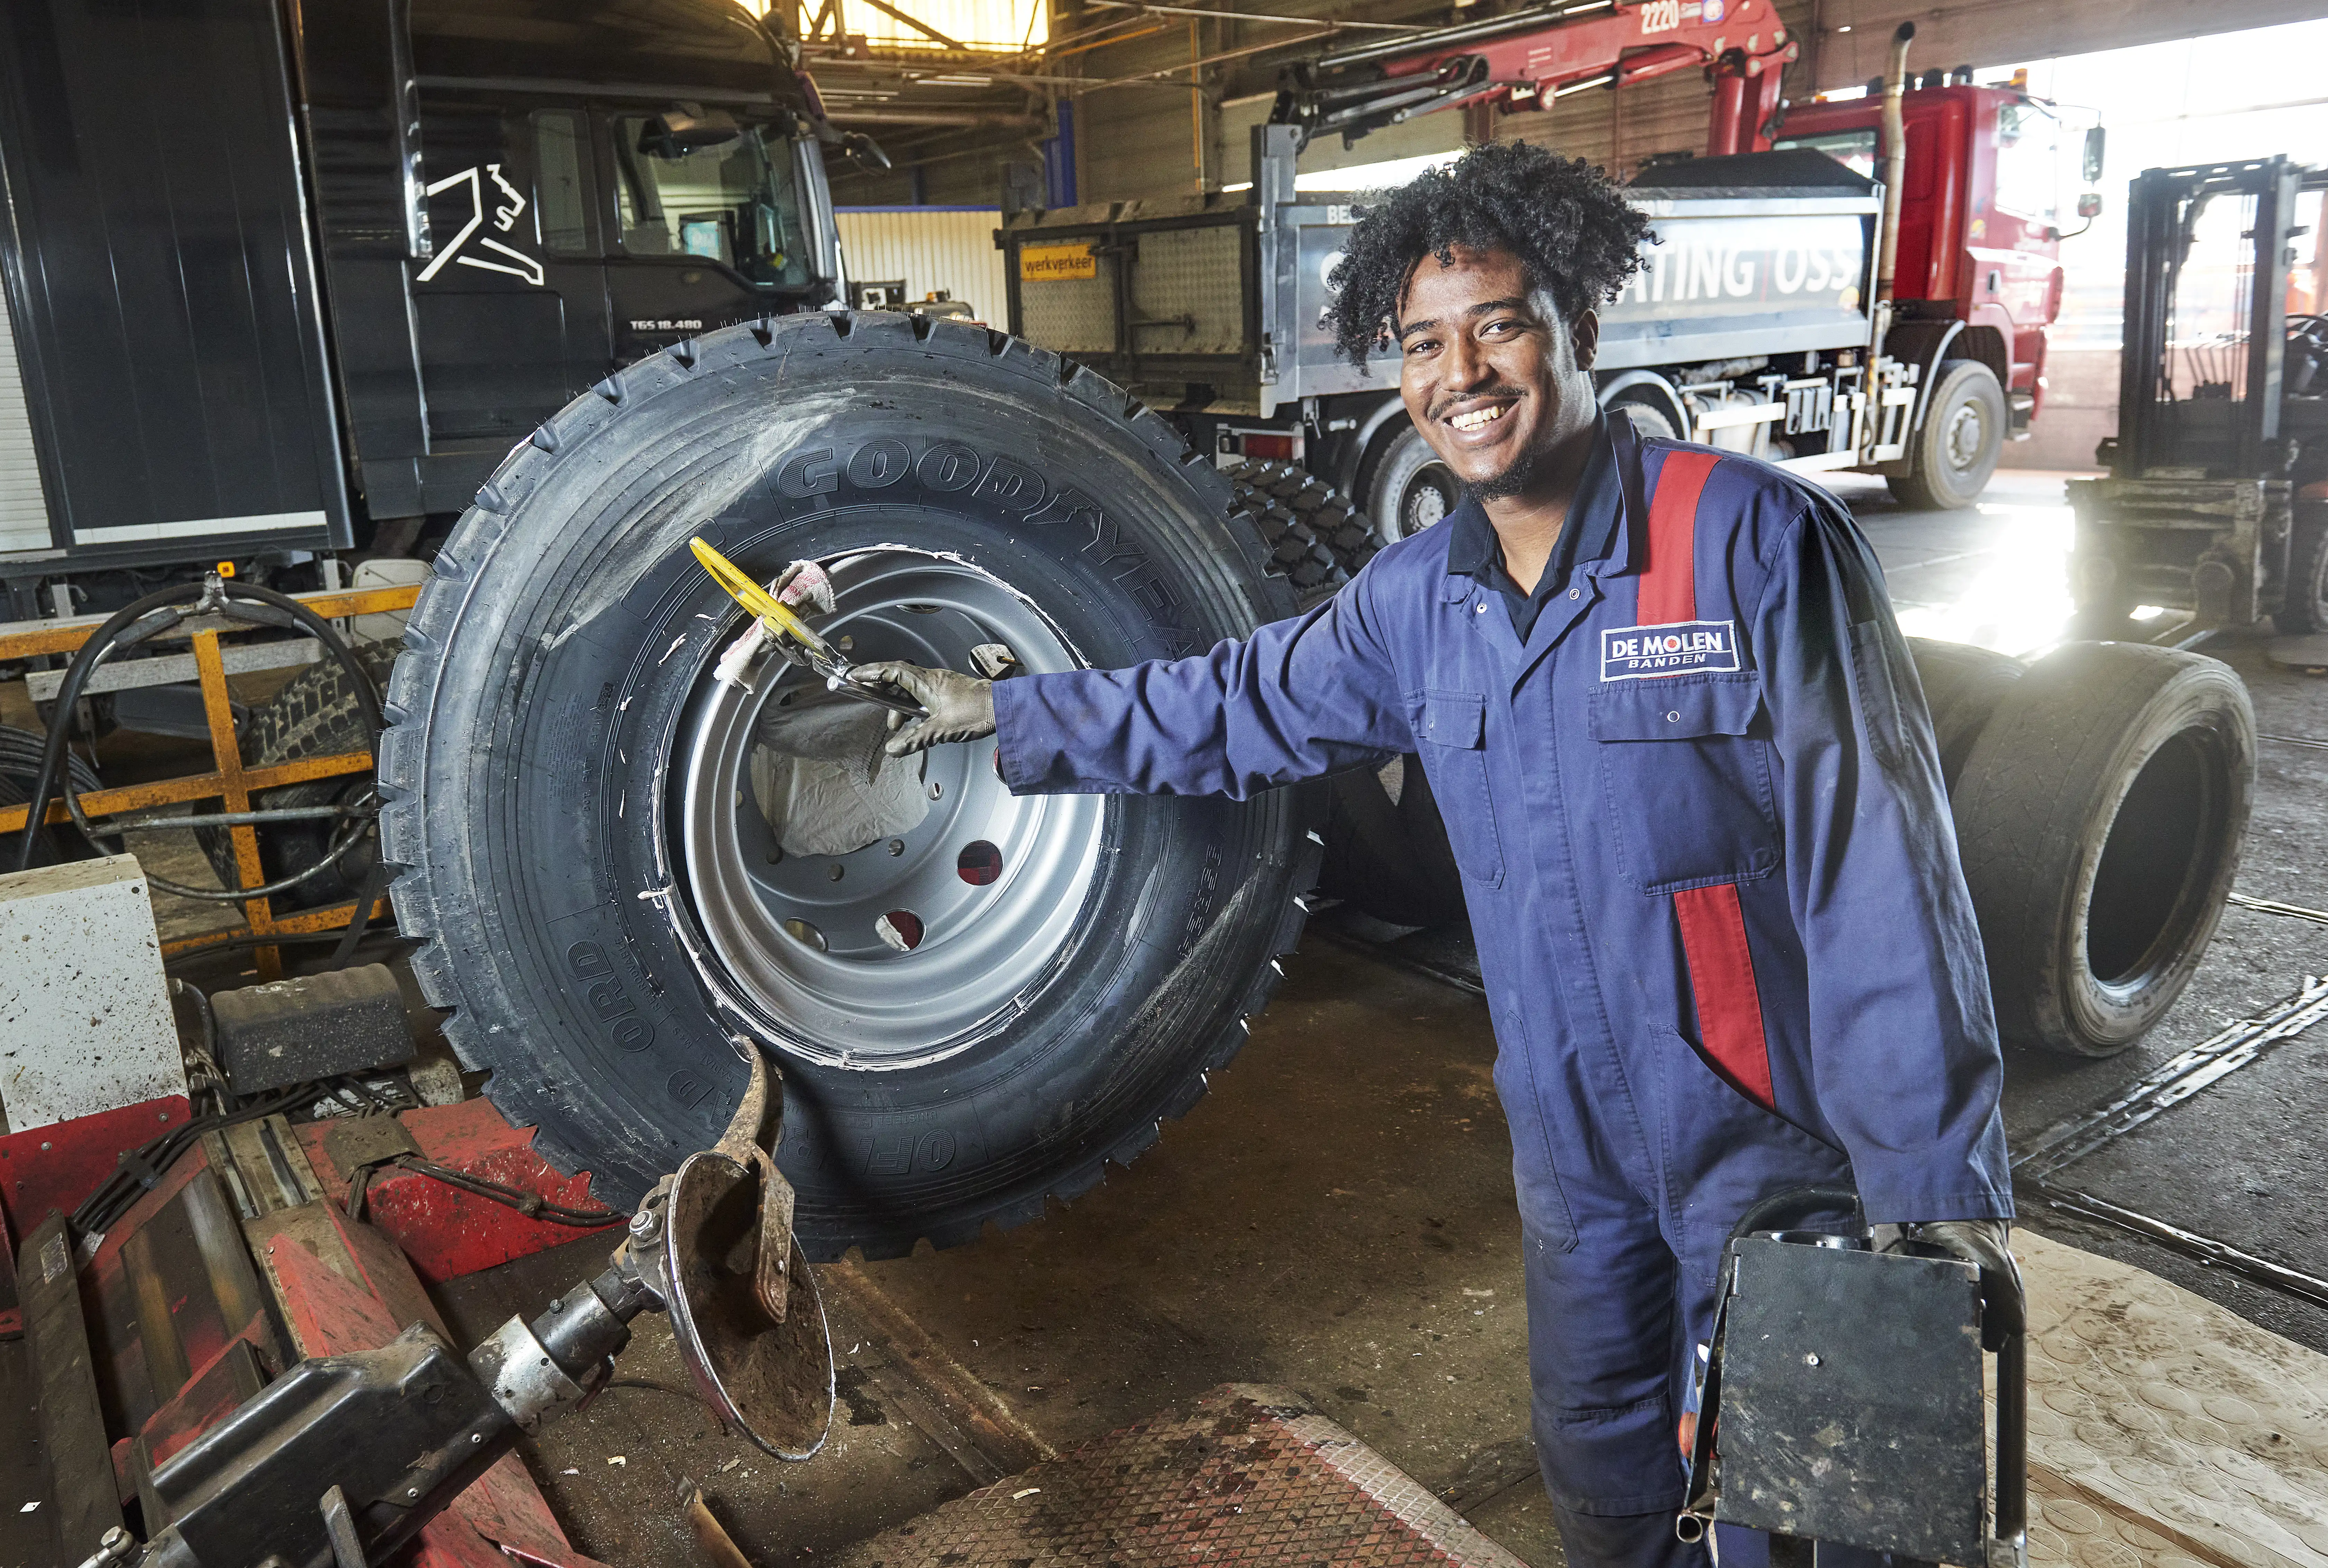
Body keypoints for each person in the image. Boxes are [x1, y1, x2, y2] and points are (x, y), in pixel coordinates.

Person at [854, 142, 2016, 1568]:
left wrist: (1934, 1180)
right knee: (1600, 1457)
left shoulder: (1748, 541)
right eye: (1422, 342)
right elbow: (1232, 704)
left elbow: (1882, 866)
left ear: (1580, 330)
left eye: (1499, 324)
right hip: (1571, 1149)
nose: (1460, 371)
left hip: (1772, 1147)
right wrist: (998, 711)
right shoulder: (1417, 600)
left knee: (1814, 1510)